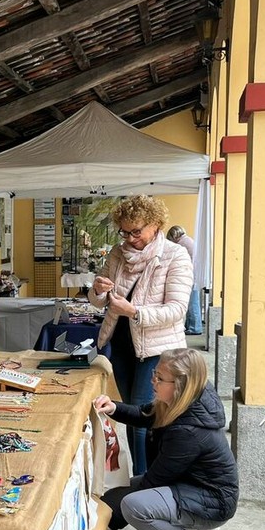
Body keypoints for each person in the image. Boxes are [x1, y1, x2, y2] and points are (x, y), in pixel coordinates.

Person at [94, 348, 238, 530]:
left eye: (160, 378)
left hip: (213, 501)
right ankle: (193, 528)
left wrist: (112, 517)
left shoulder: (188, 432)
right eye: (155, 374)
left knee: (132, 506)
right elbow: (146, 415)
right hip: (192, 485)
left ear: (180, 385)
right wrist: (114, 408)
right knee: (110, 501)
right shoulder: (183, 401)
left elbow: (154, 481)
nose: (153, 381)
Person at [88, 195, 192, 475]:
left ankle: (145, 479)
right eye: (125, 232)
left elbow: (177, 310)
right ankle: (141, 477)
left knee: (142, 415)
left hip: (156, 350)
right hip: (122, 346)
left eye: (137, 231)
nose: (131, 239)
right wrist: (97, 289)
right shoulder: (117, 253)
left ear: (156, 224)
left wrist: (134, 312)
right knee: (133, 418)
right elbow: (98, 301)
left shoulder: (175, 255)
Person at [167, 225, 203, 335]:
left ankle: (195, 328)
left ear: (173, 236)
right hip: (195, 276)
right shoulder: (188, 240)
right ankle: (191, 326)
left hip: (191, 277)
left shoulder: (181, 244)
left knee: (192, 303)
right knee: (193, 302)